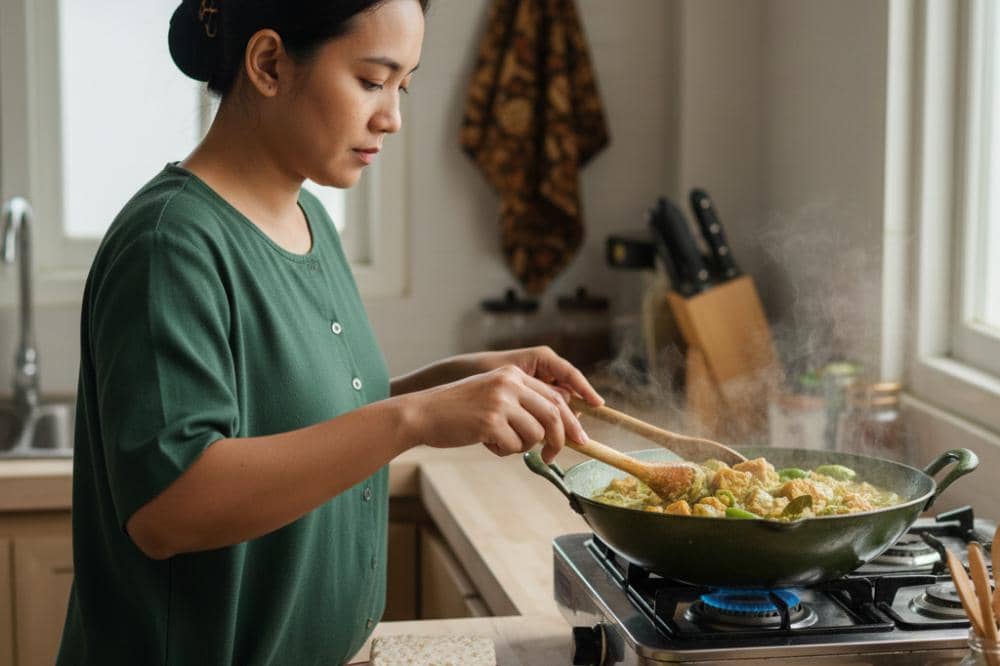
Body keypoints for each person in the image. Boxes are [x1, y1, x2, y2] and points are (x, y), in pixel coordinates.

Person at [56, 1, 603, 664]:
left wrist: (458, 383)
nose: (393, 118)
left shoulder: (307, 215)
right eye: (372, 80)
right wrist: (418, 416)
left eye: (403, 86)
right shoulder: (169, 245)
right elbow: (171, 507)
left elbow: (303, 420)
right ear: (268, 65)